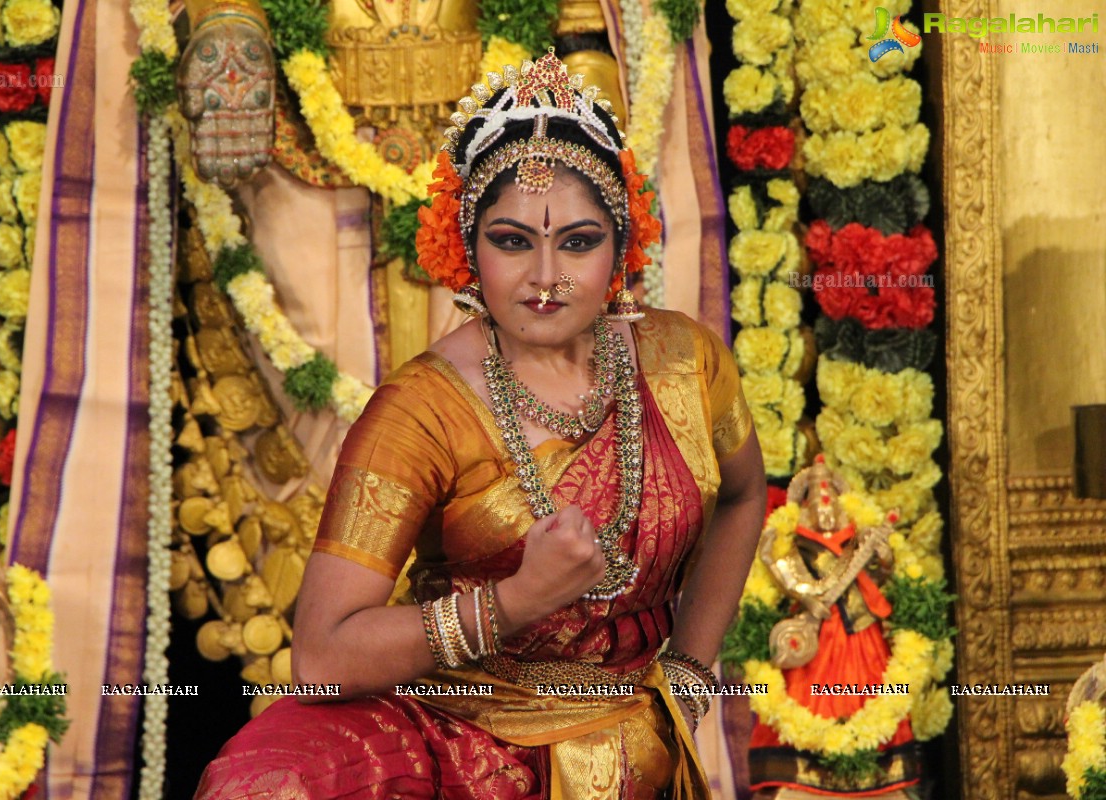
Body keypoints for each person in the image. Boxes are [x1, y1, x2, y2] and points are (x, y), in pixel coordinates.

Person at [195, 51, 766, 800]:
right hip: (465, 740)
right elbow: (323, 659)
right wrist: (515, 602)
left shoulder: (684, 361)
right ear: (467, 248)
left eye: (579, 242)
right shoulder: (421, 411)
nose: (546, 277)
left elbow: (744, 496)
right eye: (512, 241)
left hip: (638, 739)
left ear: (623, 247)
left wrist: (690, 669)